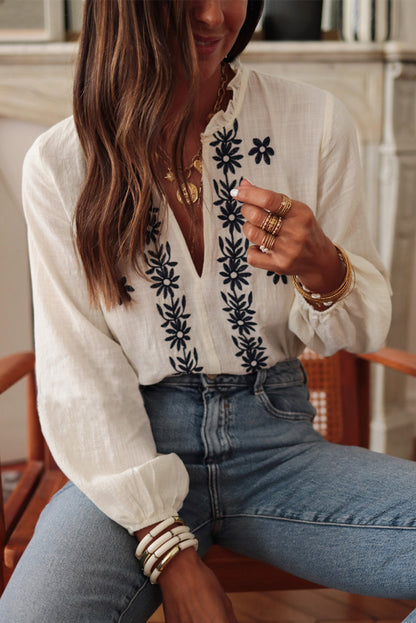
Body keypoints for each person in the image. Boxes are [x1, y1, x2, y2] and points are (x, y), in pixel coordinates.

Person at [2, 1, 416, 622]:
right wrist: (172, 554)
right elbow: (80, 373)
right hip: (133, 458)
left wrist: (322, 266)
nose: (215, 14)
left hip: (279, 447)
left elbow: (358, 330)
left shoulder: (315, 120)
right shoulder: (63, 163)